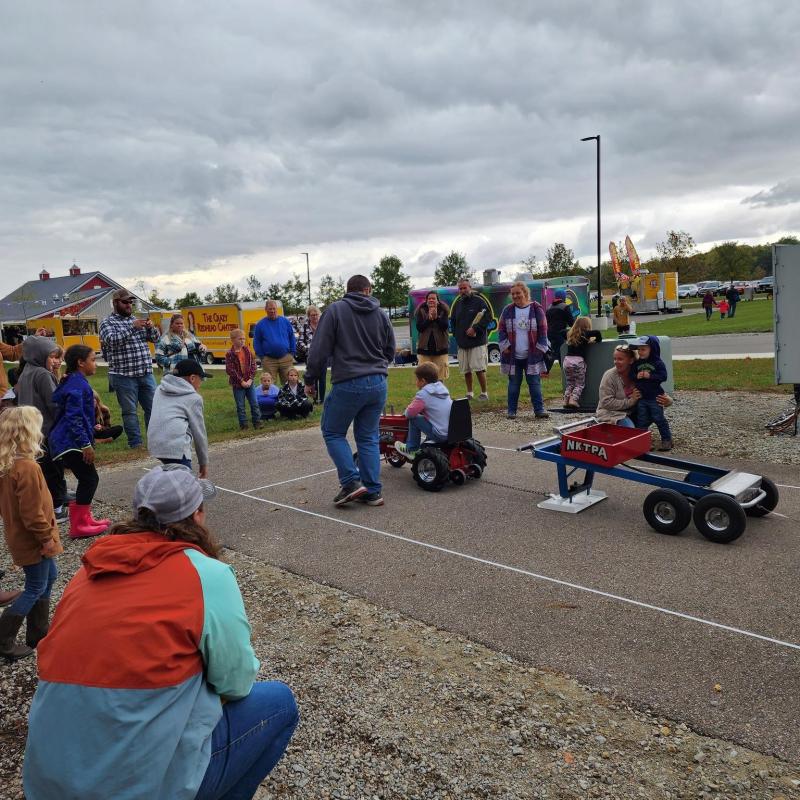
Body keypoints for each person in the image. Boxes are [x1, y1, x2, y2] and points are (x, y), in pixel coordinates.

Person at [23, 464, 298, 799]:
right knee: (280, 703)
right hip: (140, 789)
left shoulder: (86, 574)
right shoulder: (207, 574)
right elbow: (236, 682)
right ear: (197, 516)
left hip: (50, 782)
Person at [304, 274, 395, 507]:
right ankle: (373, 491)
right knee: (368, 437)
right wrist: (378, 365)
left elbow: (318, 350)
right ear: (368, 290)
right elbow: (390, 349)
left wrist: (311, 378)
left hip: (349, 381)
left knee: (333, 432)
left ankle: (351, 482)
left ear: (349, 290)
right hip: (378, 382)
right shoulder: (381, 314)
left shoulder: (334, 311)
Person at [0, 406, 63, 662]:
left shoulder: (7, 465)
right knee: (35, 586)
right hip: (34, 539)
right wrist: (46, 538)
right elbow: (32, 513)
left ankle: (38, 633)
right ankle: (4, 638)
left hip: (20, 536)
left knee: (50, 576)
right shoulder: (27, 468)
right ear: (28, 432)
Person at [49, 345, 110, 537]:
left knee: (87, 478)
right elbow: (73, 417)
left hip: (68, 440)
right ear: (80, 363)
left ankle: (84, 519)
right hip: (69, 442)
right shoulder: (78, 384)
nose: (96, 364)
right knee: (89, 478)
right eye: (93, 360)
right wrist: (85, 444)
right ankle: (79, 525)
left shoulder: (74, 381)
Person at [15, 336, 68, 524]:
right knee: (53, 468)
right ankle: (56, 507)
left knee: (46, 468)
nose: (56, 361)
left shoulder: (26, 372)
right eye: (52, 356)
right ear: (40, 355)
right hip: (47, 429)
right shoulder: (43, 374)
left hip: (31, 431)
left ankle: (60, 495)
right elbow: (54, 403)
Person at [99, 288, 160, 448]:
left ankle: (154, 441)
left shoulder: (135, 319)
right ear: (115, 303)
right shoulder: (107, 323)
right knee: (130, 412)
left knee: (153, 409)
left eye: (131, 302)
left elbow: (155, 339)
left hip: (145, 373)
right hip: (123, 376)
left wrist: (151, 328)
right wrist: (132, 327)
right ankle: (136, 443)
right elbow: (111, 341)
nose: (129, 305)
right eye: (125, 302)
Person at [147, 359, 210, 477]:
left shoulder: (159, 389)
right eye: (200, 379)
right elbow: (199, 433)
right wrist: (203, 463)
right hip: (176, 447)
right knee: (185, 485)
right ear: (192, 378)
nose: (200, 383)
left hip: (155, 444)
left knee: (173, 480)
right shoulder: (194, 398)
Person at [498, 281, 550, 420]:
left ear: (525, 293)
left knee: (534, 383)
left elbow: (543, 330)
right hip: (513, 356)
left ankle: (539, 410)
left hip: (532, 355)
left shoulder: (536, 308)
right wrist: (505, 346)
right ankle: (511, 411)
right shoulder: (507, 310)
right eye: (513, 293)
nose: (515, 296)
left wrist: (540, 348)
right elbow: (501, 329)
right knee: (514, 385)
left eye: (518, 293)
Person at [596, 342, 673, 427]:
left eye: (620, 359)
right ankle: (606, 427)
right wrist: (631, 401)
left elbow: (654, 389)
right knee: (630, 431)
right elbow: (606, 402)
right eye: (615, 359)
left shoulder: (639, 374)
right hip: (612, 414)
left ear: (631, 360)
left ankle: (637, 429)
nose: (616, 362)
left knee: (653, 410)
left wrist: (668, 401)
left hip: (633, 412)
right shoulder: (609, 376)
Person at [394, 362, 452, 459]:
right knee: (428, 417)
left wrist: (408, 409)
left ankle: (411, 449)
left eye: (417, 379)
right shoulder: (442, 390)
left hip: (440, 434)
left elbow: (409, 414)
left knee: (414, 418)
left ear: (423, 381)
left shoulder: (423, 394)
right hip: (451, 432)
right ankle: (426, 443)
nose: (415, 382)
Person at [450, 278, 491, 400]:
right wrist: (457, 335)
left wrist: (475, 328)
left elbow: (487, 317)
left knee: (479, 369)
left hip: (477, 342)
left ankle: (484, 393)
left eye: (465, 288)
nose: (462, 290)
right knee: (466, 370)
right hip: (462, 343)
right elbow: (453, 321)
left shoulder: (479, 301)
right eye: (460, 288)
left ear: (470, 287)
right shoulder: (458, 303)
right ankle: (469, 393)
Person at [631, 336, 673, 451]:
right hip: (642, 397)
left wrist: (651, 376)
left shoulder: (658, 363)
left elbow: (663, 376)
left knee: (658, 418)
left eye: (643, 349)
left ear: (652, 349)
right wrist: (636, 376)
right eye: (639, 349)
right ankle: (644, 442)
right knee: (642, 420)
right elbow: (631, 375)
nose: (640, 352)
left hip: (655, 396)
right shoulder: (637, 364)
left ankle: (667, 440)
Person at [225, 329, 262, 431]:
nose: (242, 341)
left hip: (249, 382)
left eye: (243, 339)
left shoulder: (248, 351)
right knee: (240, 406)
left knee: (254, 403)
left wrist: (250, 379)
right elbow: (230, 370)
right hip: (238, 384)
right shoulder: (230, 354)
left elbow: (253, 366)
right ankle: (244, 425)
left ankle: (257, 422)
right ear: (233, 340)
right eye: (240, 339)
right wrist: (241, 381)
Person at [253, 299, 296, 385]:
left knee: (289, 383)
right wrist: (262, 357)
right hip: (269, 360)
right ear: (266, 310)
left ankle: (289, 399)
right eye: (270, 309)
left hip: (286, 358)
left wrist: (292, 353)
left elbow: (292, 337)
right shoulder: (260, 324)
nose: (272, 311)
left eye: (274, 308)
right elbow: (257, 342)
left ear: (277, 309)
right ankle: (271, 399)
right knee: (269, 385)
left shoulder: (285, 321)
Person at [562, 316, 602, 409]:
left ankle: (566, 400)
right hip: (578, 361)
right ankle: (573, 400)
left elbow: (560, 332)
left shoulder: (570, 334)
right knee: (579, 384)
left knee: (570, 383)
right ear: (587, 325)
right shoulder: (585, 333)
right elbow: (598, 333)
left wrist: (570, 331)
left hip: (567, 361)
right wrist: (596, 341)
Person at [415, 291, 450, 380]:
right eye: (429, 298)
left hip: (440, 349)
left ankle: (439, 394)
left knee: (439, 377)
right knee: (424, 377)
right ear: (426, 301)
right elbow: (420, 328)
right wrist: (429, 319)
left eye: (433, 298)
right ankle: (425, 394)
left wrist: (436, 318)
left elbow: (444, 327)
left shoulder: (443, 310)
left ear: (437, 300)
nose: (431, 300)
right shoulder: (421, 310)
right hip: (424, 349)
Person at [297, 305, 327, 402]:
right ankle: (314, 399)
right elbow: (300, 342)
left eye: (316, 314)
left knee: (322, 378)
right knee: (313, 377)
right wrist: (307, 349)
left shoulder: (324, 325)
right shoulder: (304, 327)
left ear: (319, 315)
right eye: (312, 315)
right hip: (309, 356)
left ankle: (321, 399)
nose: (315, 317)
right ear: (308, 316)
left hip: (323, 354)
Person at [545, 288, 574, 367]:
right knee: (561, 351)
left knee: (554, 351)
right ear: (563, 297)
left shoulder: (549, 307)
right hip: (560, 333)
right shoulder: (565, 307)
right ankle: (561, 368)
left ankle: (546, 370)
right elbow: (571, 322)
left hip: (549, 333)